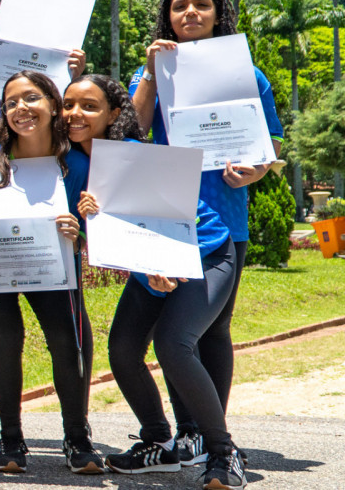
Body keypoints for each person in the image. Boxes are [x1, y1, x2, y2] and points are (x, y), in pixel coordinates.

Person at [62, 74, 248, 489]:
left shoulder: (132, 153)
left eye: (89, 106)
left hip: (204, 255)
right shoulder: (72, 162)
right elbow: (94, 230)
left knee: (173, 343)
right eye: (69, 104)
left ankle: (223, 452)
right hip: (150, 268)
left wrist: (156, 264)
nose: (75, 113)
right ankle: (158, 442)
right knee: (124, 350)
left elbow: (165, 223)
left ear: (113, 113)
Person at [128, 0, 283, 471]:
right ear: (167, 16)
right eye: (180, 6)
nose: (190, 13)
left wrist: (256, 170)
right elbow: (129, 131)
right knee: (176, 334)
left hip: (226, 220)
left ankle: (205, 435)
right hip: (166, 219)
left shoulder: (248, 74)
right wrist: (152, 72)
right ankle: (193, 436)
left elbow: (271, 143)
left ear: (218, 15)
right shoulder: (149, 70)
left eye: (201, 5)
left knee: (210, 333)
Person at [0, 71, 101, 474]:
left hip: (54, 269)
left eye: (32, 98)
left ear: (54, 105)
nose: (22, 108)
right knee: (6, 338)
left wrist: (81, 230)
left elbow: (97, 221)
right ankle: (12, 441)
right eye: (12, 101)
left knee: (63, 343)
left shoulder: (76, 161)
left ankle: (77, 439)